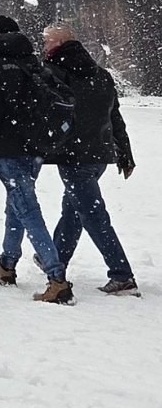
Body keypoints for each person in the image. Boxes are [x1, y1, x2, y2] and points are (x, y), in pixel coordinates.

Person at [0, 14, 73, 304]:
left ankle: (57, 278)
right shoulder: (31, 62)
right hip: (35, 147)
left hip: (9, 147)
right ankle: (7, 264)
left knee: (26, 208)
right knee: (16, 204)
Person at [40, 23, 139, 296]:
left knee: (93, 215)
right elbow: (114, 116)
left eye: (47, 42)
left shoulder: (55, 73)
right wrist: (125, 154)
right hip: (100, 155)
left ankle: (122, 275)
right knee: (74, 209)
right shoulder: (102, 75)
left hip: (74, 156)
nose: (44, 46)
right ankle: (56, 257)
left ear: (59, 44)